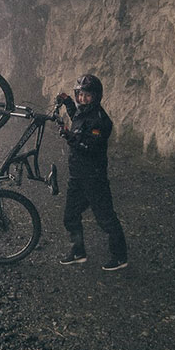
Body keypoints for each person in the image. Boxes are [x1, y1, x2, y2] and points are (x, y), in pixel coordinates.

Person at [55, 74, 128, 271]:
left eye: (87, 96)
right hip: (77, 176)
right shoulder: (83, 112)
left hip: (94, 178)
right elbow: (77, 118)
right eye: (79, 95)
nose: (82, 99)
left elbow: (90, 146)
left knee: (105, 218)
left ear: (96, 96)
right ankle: (78, 252)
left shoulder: (100, 120)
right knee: (70, 216)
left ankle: (120, 256)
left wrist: (69, 136)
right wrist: (67, 102)